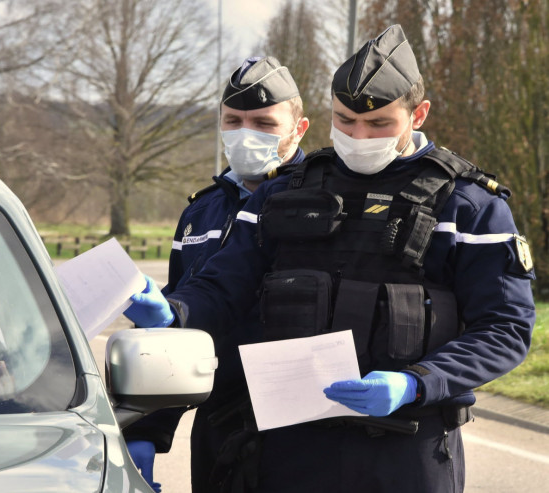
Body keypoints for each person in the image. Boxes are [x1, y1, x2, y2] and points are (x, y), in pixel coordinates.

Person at [124, 25, 535, 492]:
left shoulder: (468, 206)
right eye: (344, 120)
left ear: (418, 114)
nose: (359, 135)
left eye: (379, 124)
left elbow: (505, 328)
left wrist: (418, 382)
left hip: (406, 449)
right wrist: (174, 312)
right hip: (286, 451)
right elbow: (223, 286)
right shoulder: (285, 193)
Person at [123, 55, 309, 493]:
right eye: (234, 120)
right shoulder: (199, 211)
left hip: (304, 427)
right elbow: (174, 333)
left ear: (298, 129)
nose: (246, 133)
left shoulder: (323, 199)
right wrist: (146, 430)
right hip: (219, 422)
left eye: (264, 123)